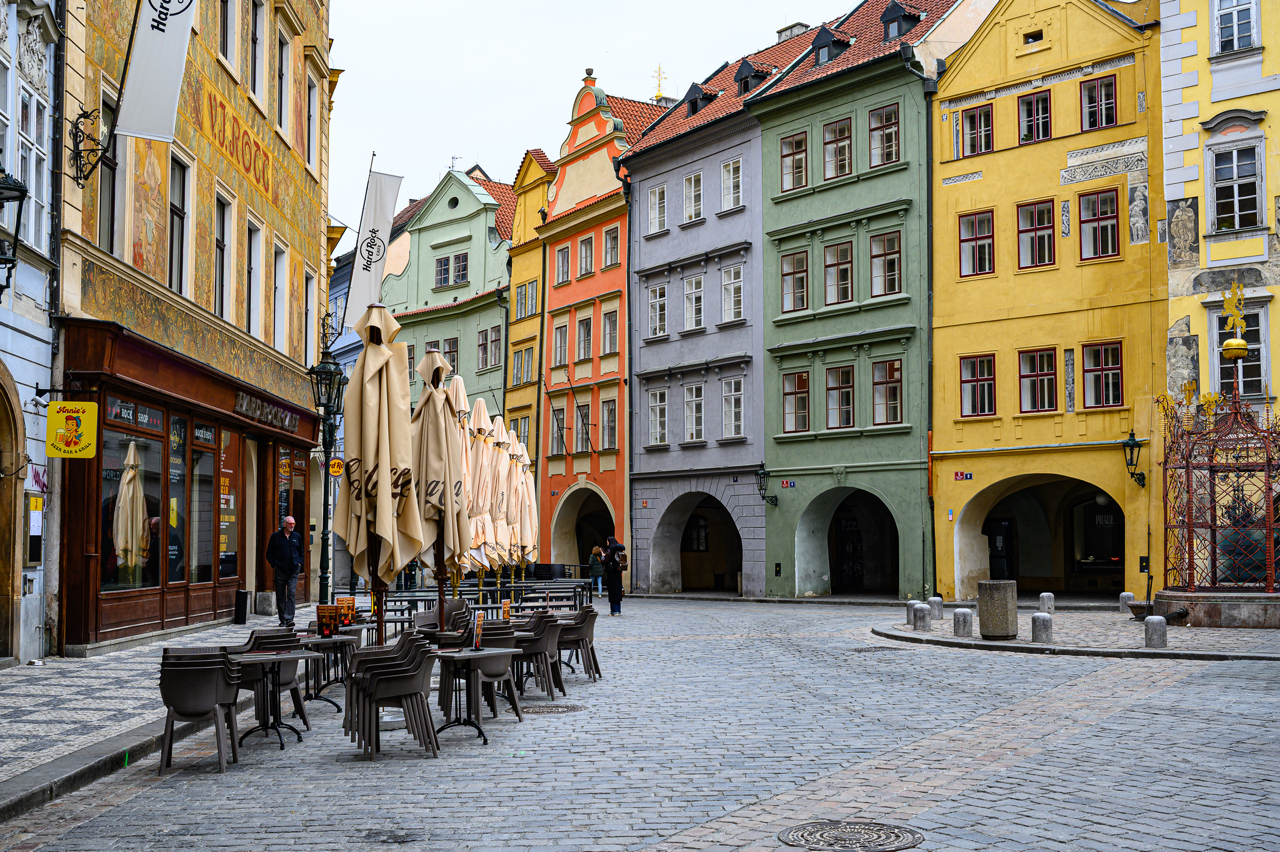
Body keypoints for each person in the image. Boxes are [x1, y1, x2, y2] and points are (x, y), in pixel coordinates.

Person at [266, 516, 304, 629]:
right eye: (290, 524)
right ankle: (282, 620)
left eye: (293, 523)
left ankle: (289, 619)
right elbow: (269, 553)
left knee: (291, 593)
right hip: (280, 570)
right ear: (284, 524)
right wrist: (275, 565)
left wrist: (299, 563)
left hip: (293, 570)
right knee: (281, 595)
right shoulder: (275, 537)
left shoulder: (297, 537)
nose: (292, 526)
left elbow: (301, 552)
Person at [603, 535, 626, 616]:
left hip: (611, 573)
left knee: (613, 592)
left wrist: (603, 555)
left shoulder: (610, 550)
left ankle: (614, 611)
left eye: (607, 542)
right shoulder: (618, 549)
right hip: (618, 572)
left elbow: (605, 561)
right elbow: (623, 546)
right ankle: (618, 610)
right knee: (618, 592)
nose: (607, 543)